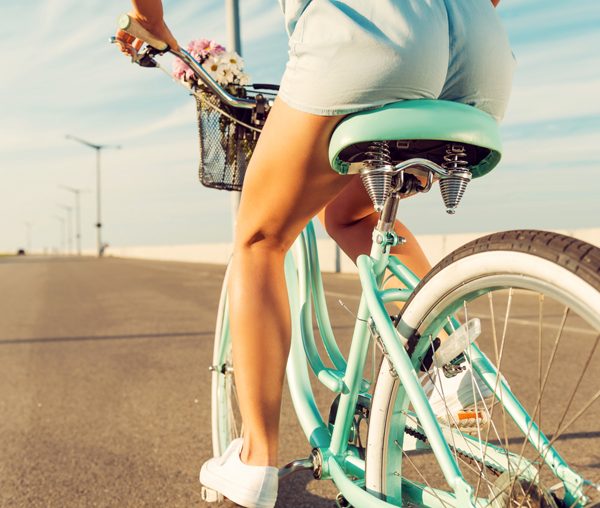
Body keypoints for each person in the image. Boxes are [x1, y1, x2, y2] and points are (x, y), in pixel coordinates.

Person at [117, 1, 514, 506]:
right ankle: (454, 365)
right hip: (479, 42)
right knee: (352, 215)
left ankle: (255, 458)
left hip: (372, 34)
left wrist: (150, 22)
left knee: (259, 238)